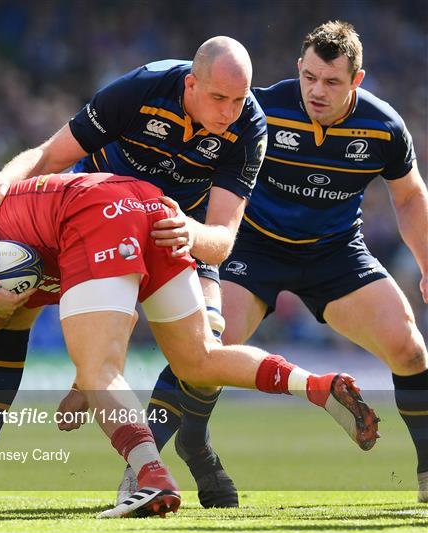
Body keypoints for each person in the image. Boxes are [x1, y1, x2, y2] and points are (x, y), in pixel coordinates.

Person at [0, 172, 379, 517]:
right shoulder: (19, 298)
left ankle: (152, 474)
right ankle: (318, 385)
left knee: (99, 373)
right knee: (199, 360)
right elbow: (115, 311)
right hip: (149, 209)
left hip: (93, 212)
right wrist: (82, 382)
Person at [0, 35, 268, 508]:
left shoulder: (249, 126)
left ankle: (175, 455)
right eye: (219, 98)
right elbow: (51, 156)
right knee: (12, 305)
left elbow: (223, 237)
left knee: (209, 339)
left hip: (172, 228)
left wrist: (188, 233)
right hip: (96, 216)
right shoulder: (140, 90)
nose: (230, 110)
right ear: (191, 83)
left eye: (239, 98)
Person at [137, 20, 428, 504]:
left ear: (357, 80)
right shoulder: (260, 111)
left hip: (336, 253)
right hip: (255, 249)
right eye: (310, 76)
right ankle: (147, 466)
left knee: (411, 350)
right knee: (205, 348)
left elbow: (410, 197)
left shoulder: (384, 127)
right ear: (298, 68)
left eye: (332, 82)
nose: (317, 90)